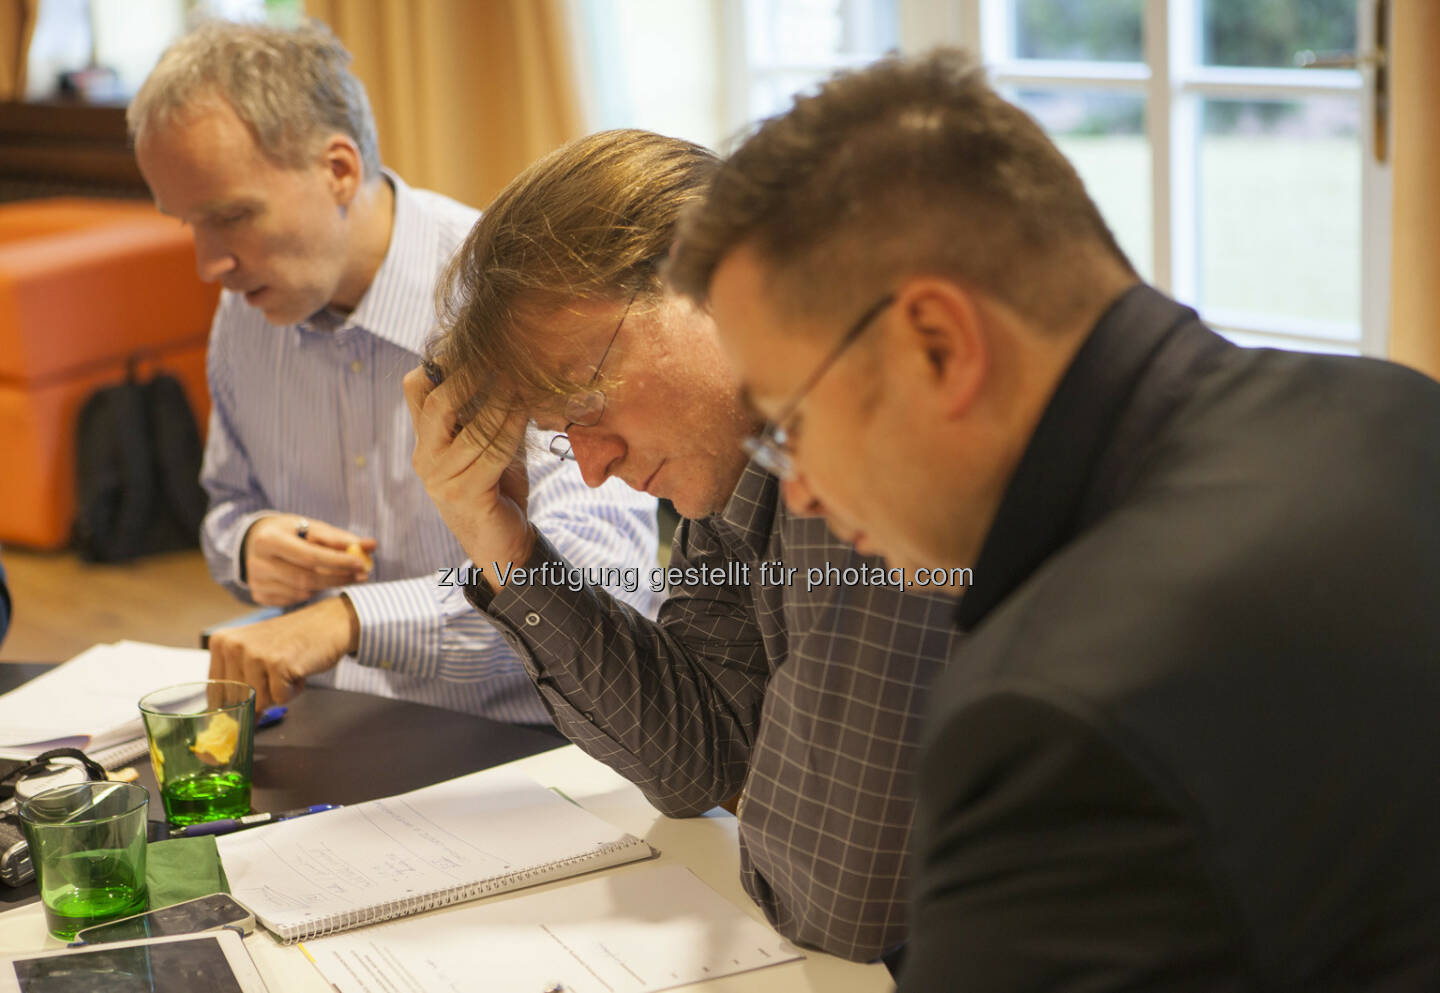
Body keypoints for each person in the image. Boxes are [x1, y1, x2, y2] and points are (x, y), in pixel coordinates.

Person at [670, 48, 1440, 990]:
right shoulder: (1399, 409)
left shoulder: (1052, 715)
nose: (797, 490)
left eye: (790, 422)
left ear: (940, 344)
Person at [402, 128, 960, 962]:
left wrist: (766, 785)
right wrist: (499, 539)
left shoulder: (863, 430)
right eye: (560, 434)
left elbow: (842, 897)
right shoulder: (739, 451)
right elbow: (697, 763)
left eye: (586, 400)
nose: (591, 467)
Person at [128, 21, 659, 721]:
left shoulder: (515, 297)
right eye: (188, 223)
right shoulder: (245, 313)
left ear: (339, 170)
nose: (208, 265)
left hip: (530, 743)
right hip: (334, 722)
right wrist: (250, 545)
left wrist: (353, 617)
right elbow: (227, 504)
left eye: (231, 215)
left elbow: (606, 575)